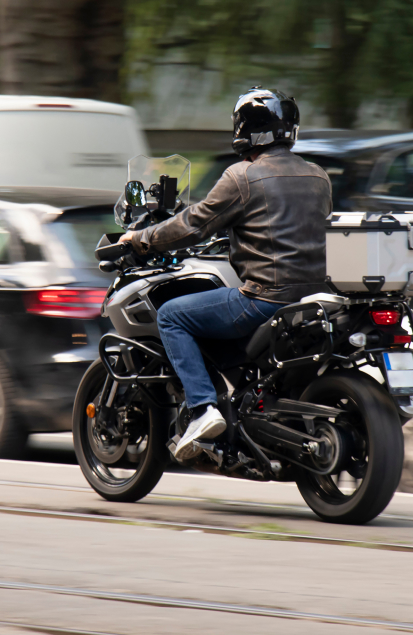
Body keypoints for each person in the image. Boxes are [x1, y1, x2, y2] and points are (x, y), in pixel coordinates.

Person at [120, 87, 332, 459]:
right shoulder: (318, 176)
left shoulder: (243, 177)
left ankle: (202, 410)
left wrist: (142, 238)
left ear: (245, 129)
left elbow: (193, 224)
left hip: (265, 299)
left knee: (172, 316)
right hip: (315, 300)